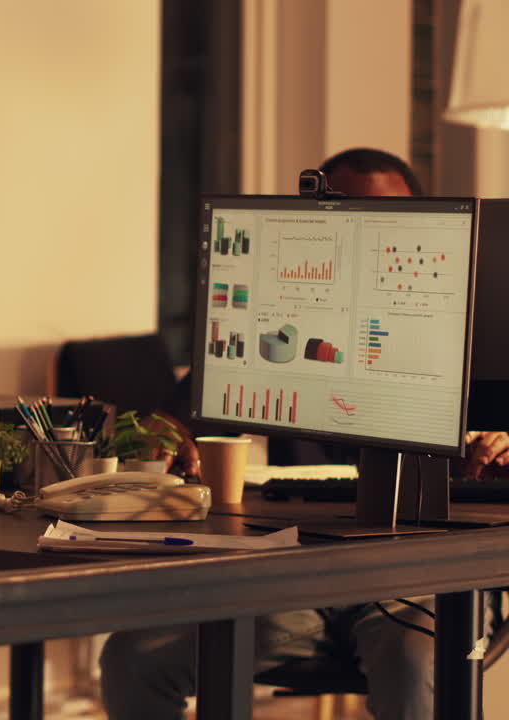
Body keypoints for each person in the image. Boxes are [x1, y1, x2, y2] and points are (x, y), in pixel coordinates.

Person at [100, 148, 509, 720]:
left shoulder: (476, 322)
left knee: (413, 664)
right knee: (134, 655)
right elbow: (172, 418)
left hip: (425, 580)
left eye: (388, 223)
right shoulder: (281, 320)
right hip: (294, 576)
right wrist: (161, 437)